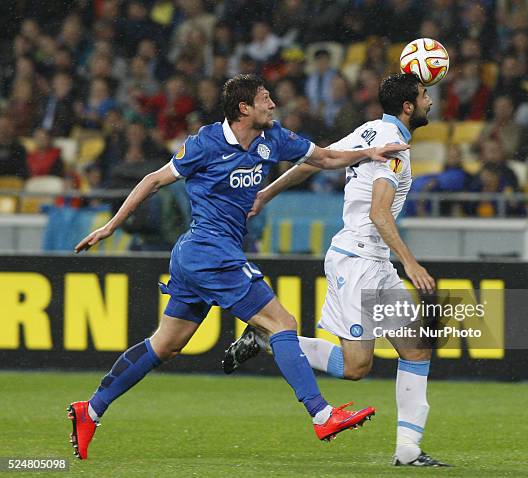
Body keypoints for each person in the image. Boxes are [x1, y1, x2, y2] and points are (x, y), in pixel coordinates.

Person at [67, 74, 407, 460]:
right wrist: (111, 225)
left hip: (202, 256)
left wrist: (368, 153)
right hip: (209, 252)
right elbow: (154, 179)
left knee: (166, 345)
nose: (273, 105)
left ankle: (90, 409)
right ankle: (322, 414)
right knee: (282, 323)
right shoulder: (205, 143)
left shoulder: (273, 138)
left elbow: (326, 157)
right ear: (245, 108)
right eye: (266, 99)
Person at [223, 73, 449, 467]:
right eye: (424, 95)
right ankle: (267, 338)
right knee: (356, 366)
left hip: (372, 262)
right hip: (359, 262)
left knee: (416, 348)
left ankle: (408, 451)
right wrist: (411, 263)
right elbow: (380, 214)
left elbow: (315, 160)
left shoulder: (369, 131)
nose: (430, 101)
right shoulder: (394, 149)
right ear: (408, 107)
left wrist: (267, 192)